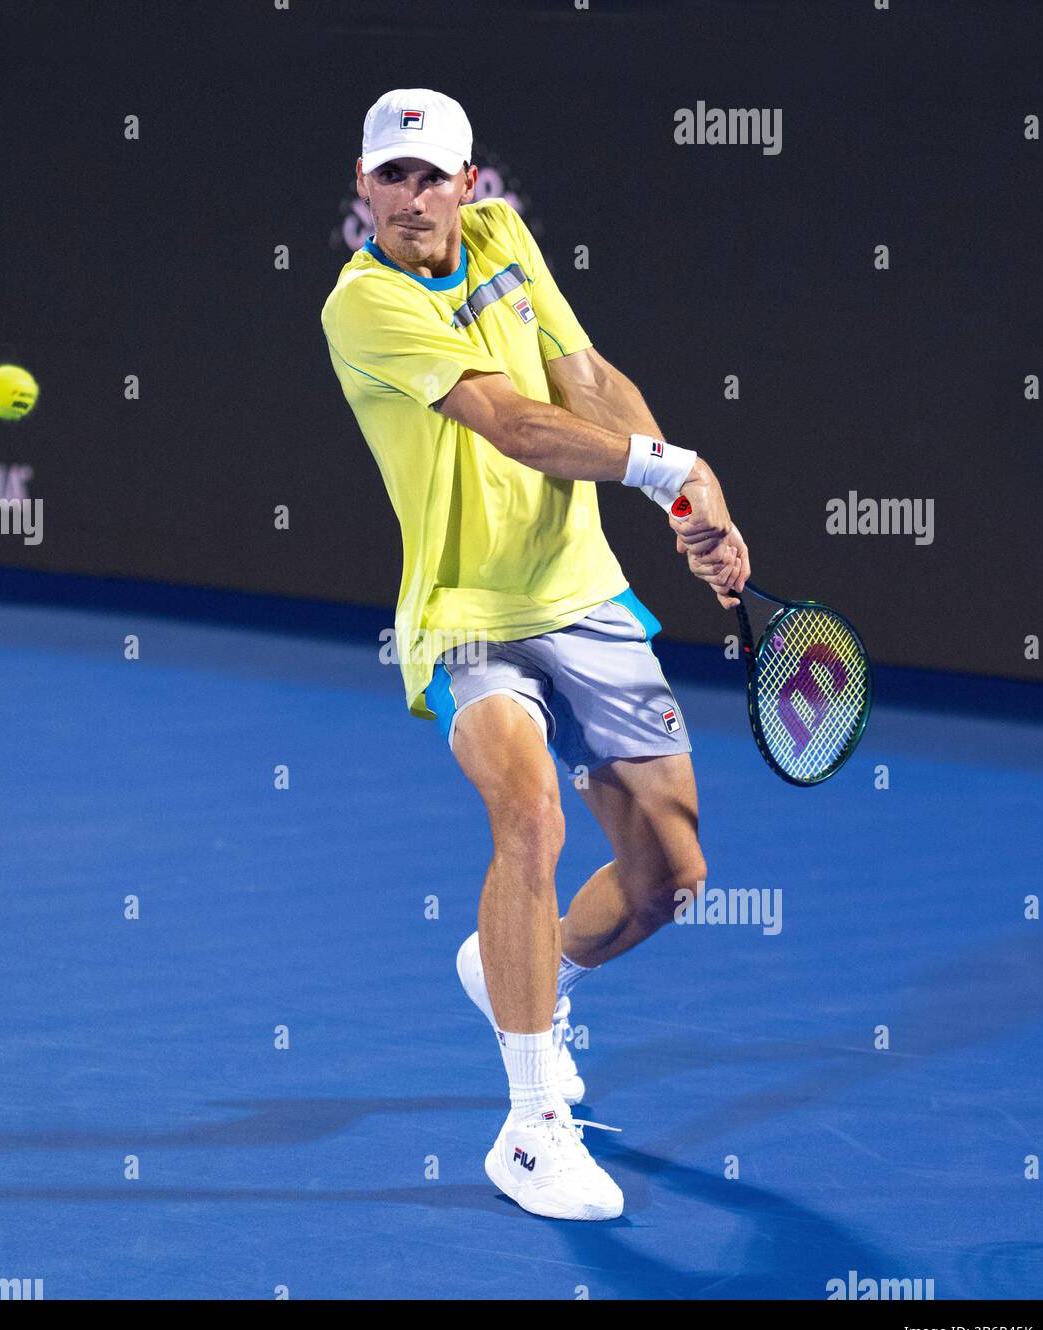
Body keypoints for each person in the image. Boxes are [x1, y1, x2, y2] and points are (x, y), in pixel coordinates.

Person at [321, 88, 749, 1221]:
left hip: (584, 592)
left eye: (432, 177)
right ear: (361, 186)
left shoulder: (505, 239)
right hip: (464, 608)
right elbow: (510, 420)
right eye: (390, 177)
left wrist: (684, 491)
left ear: (471, 185)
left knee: (670, 878)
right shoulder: (360, 306)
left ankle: (527, 967)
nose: (411, 199)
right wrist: (664, 470)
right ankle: (527, 1127)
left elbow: (584, 380)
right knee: (529, 814)